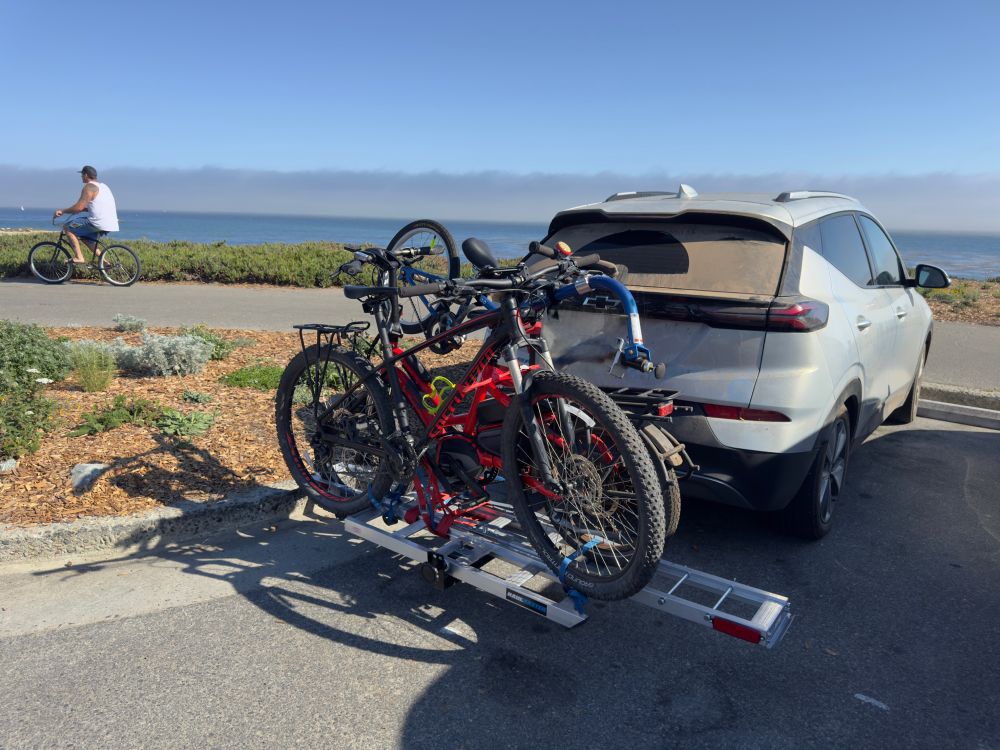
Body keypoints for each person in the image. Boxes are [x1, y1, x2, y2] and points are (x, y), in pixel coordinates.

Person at [53, 165, 119, 264]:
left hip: (97, 222)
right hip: (111, 222)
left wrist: (63, 211)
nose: (81, 177)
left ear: (86, 175)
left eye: (82, 174)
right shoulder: (103, 186)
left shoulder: (89, 187)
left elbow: (78, 207)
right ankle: (105, 262)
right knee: (85, 238)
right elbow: (97, 206)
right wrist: (83, 209)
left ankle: (79, 257)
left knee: (67, 227)